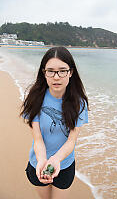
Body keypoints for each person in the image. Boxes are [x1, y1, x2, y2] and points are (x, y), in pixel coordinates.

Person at [20, 46, 89, 199]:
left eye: (62, 70)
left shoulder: (79, 103)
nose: (56, 77)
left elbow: (71, 141)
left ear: (71, 72)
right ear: (44, 73)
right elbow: (38, 139)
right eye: (50, 71)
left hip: (64, 164)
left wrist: (55, 160)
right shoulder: (34, 99)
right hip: (38, 162)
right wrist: (43, 161)